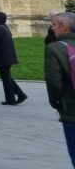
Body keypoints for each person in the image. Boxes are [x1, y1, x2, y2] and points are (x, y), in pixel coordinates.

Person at [44, 11, 75, 167]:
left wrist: (56, 102)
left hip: (71, 109)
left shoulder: (54, 48)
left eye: (54, 25)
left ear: (64, 27)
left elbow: (53, 81)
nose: (51, 27)